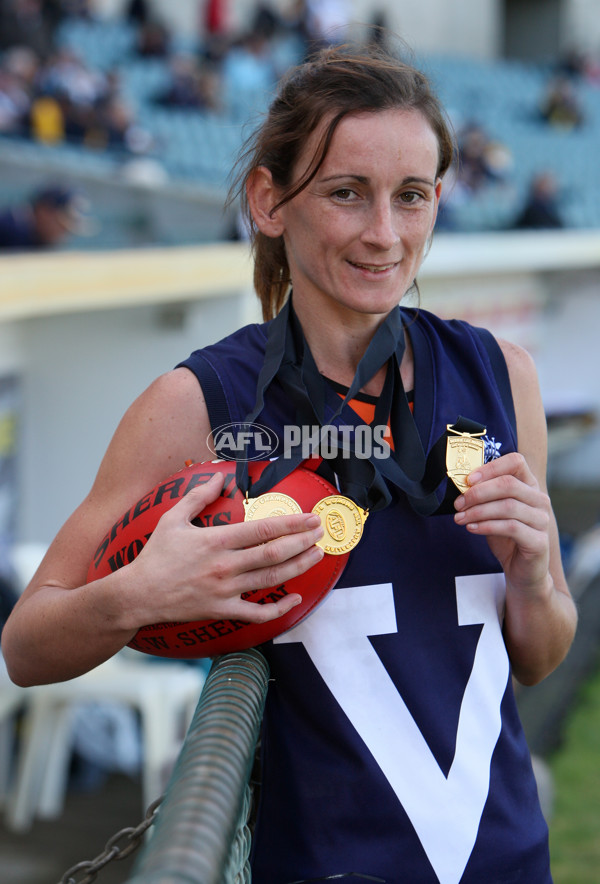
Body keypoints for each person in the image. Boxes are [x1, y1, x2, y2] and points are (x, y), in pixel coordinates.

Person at [2, 42, 577, 883]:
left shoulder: (503, 376)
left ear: (438, 202)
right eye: (347, 193)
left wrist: (533, 580)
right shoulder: (200, 403)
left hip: (509, 863)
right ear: (269, 201)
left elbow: (539, 652)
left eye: (410, 197)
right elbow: (26, 644)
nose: (385, 234)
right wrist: (138, 594)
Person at [0, 184, 93, 250]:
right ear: (43, 211)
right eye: (62, 226)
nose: (64, 234)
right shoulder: (10, 230)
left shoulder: (39, 239)